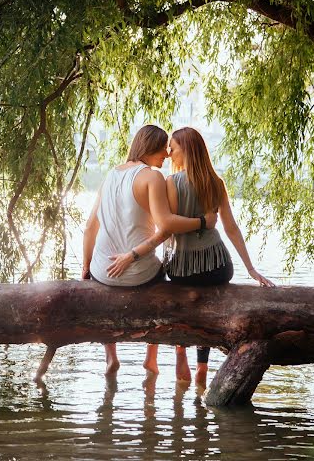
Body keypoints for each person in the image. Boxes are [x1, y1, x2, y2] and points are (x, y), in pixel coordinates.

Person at [109, 127, 274, 387]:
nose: (169, 152)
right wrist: (251, 269)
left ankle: (180, 352)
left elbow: (166, 231)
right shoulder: (216, 183)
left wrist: (134, 254)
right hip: (218, 268)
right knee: (204, 300)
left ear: (186, 150)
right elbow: (230, 228)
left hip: (182, 270)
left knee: (177, 289)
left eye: (173, 147)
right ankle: (202, 366)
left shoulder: (171, 183)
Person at [82, 124, 217, 376]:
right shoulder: (152, 177)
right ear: (150, 148)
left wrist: (86, 266)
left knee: (107, 280)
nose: (167, 155)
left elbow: (90, 227)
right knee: (165, 273)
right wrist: (202, 222)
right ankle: (151, 358)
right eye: (162, 149)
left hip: (102, 271)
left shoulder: (109, 175)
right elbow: (165, 226)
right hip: (138, 273)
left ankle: (111, 358)